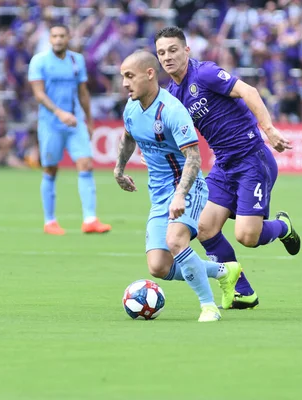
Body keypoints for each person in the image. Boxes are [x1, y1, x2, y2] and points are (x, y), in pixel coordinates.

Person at [154, 26, 301, 309]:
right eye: (161, 52)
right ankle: (242, 291)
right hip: (223, 165)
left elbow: (248, 90)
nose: (167, 57)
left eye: (173, 50)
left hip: (251, 158)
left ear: (186, 50)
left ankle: (283, 227)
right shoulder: (173, 94)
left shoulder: (205, 73)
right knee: (205, 228)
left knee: (247, 236)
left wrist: (268, 129)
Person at [116, 50, 242, 322]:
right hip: (159, 194)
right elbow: (128, 137)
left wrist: (180, 195)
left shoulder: (172, 110)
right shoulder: (131, 108)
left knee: (175, 240)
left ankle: (208, 307)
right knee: (158, 267)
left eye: (129, 76)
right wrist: (119, 168)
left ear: (149, 74)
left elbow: (194, 157)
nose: (125, 83)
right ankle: (223, 271)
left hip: (188, 188)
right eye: (122, 77)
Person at [28, 23, 111, 235]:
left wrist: (89, 121)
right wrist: (59, 112)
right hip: (51, 124)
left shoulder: (76, 60)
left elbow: (82, 92)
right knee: (50, 169)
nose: (58, 39)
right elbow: (38, 94)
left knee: (85, 163)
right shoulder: (39, 61)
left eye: (62, 36)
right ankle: (50, 221)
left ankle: (90, 219)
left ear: (68, 38)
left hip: (75, 122)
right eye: (54, 36)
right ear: (49, 39)